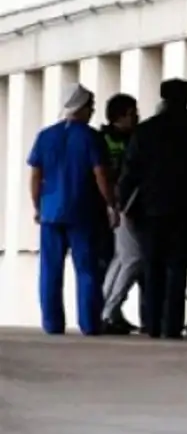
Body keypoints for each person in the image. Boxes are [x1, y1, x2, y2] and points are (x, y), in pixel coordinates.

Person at [118, 78, 187, 339]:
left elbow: (130, 173)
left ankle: (153, 324)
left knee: (152, 266)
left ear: (163, 98)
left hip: (150, 210)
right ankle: (171, 325)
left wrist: (124, 206)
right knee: (177, 268)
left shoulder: (145, 132)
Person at [27, 83, 119, 336]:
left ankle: (52, 323)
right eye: (91, 106)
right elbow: (100, 175)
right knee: (87, 268)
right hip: (84, 212)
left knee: (50, 269)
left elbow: (35, 176)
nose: (93, 111)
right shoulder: (91, 138)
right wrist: (111, 204)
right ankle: (89, 323)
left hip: (51, 212)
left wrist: (37, 205)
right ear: (82, 107)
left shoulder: (45, 136)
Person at [99, 94, 146, 335]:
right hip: (123, 204)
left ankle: (105, 309)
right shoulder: (125, 141)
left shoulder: (104, 138)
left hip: (118, 204)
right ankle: (109, 310)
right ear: (121, 116)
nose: (137, 117)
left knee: (121, 258)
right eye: (132, 113)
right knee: (133, 258)